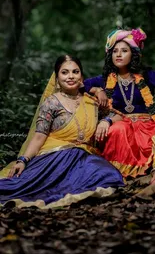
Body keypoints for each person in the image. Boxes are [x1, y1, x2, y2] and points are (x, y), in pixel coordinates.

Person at [0, 55, 124, 209]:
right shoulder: (52, 102)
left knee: (108, 175)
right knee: (21, 186)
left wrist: (106, 120)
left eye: (75, 71)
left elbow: (119, 115)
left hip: (83, 158)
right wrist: (22, 160)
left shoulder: (92, 101)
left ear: (81, 76)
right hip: (54, 158)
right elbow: (39, 136)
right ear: (57, 78)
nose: (71, 76)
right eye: (64, 72)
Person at [84, 28, 155, 182]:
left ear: (133, 54)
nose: (118, 54)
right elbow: (79, 85)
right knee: (117, 130)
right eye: (115, 51)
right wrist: (97, 89)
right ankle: (116, 174)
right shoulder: (105, 80)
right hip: (122, 124)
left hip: (147, 124)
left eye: (124, 50)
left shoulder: (147, 76)